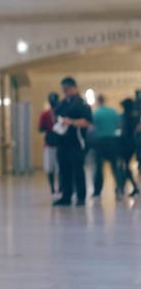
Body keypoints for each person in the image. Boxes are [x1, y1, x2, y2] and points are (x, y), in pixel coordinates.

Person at [52, 77, 92, 206]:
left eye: (67, 89)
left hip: (76, 142)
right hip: (62, 141)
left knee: (77, 169)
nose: (65, 91)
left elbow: (87, 122)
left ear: (74, 88)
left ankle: (81, 196)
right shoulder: (62, 104)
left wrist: (71, 122)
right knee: (64, 170)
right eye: (63, 89)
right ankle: (66, 196)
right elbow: (56, 116)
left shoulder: (81, 104)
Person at [91, 94, 121, 201]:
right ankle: (119, 189)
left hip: (100, 142)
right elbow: (118, 125)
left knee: (98, 168)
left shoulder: (96, 113)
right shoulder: (113, 112)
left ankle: (97, 192)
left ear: (98, 101)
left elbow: (92, 128)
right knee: (115, 167)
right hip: (113, 141)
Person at [38, 92, 60, 196]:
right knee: (50, 168)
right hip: (49, 144)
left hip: (60, 144)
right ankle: (52, 189)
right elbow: (40, 128)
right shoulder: (45, 114)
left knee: (60, 168)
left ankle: (60, 188)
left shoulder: (61, 113)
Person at [118, 98, 140, 198]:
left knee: (124, 166)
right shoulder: (135, 117)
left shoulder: (124, 117)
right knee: (125, 166)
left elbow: (123, 130)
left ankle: (123, 187)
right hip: (133, 143)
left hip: (125, 144)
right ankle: (126, 187)